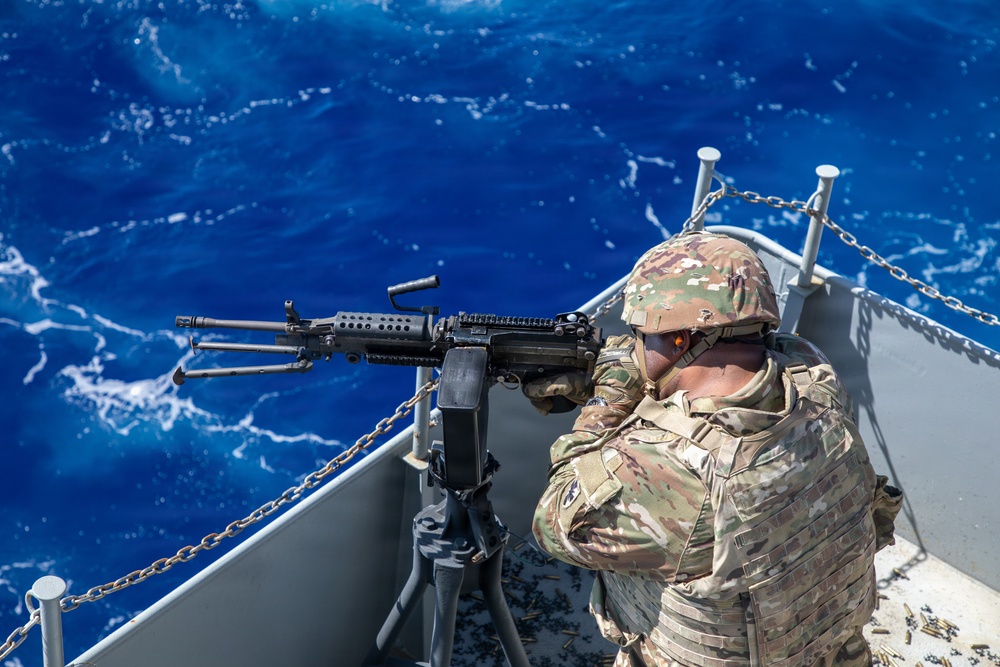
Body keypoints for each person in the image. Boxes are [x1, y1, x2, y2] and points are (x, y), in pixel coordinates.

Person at [527, 232, 902, 667]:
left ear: (681, 341)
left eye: (638, 334)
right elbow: (736, 382)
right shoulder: (813, 377)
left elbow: (554, 524)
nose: (632, 346)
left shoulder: (672, 468)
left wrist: (605, 401)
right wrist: (644, 376)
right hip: (834, 651)